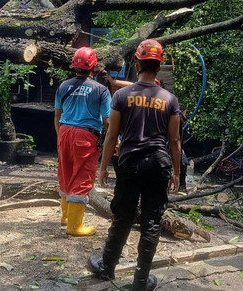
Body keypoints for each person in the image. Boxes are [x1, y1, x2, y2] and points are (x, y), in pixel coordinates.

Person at [88, 39, 181, 291]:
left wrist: (103, 166)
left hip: (129, 164)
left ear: (137, 63)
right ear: (158, 66)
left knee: (123, 217)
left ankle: (107, 268)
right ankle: (141, 281)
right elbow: (174, 140)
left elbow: (111, 135)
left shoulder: (121, 95)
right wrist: (177, 172)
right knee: (152, 221)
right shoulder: (169, 99)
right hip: (159, 164)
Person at [54, 47, 111, 237]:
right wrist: (111, 141)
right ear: (93, 67)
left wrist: (59, 136)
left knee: (66, 172)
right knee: (82, 177)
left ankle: (66, 218)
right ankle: (75, 227)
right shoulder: (101, 90)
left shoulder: (63, 86)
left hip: (64, 132)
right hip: (85, 135)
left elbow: (57, 115)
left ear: (74, 66)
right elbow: (108, 121)